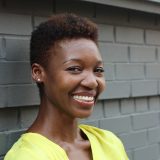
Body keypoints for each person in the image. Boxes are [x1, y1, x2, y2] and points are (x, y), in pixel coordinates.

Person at [4, 13, 129, 160]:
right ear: (38, 73)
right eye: (75, 69)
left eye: (98, 70)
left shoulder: (110, 142)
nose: (92, 82)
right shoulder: (28, 156)